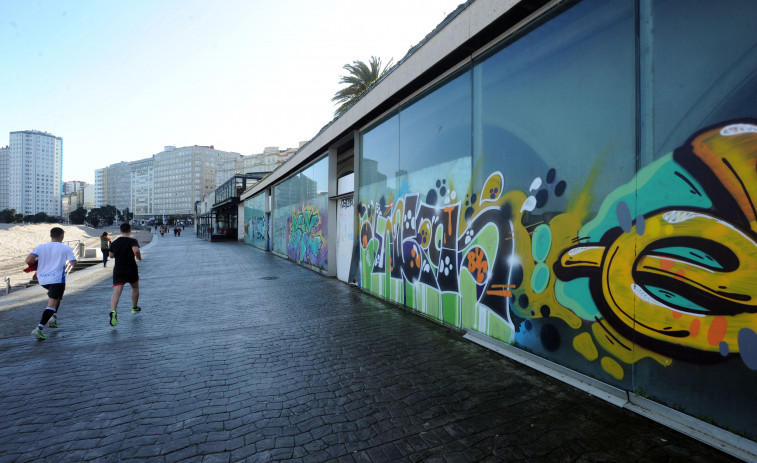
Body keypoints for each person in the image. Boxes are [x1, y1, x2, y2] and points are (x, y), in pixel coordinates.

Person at [27, 227, 77, 341]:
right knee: (52, 303)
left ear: (51, 235)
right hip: (57, 279)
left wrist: (39, 262)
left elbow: (29, 260)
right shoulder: (66, 248)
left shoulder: (40, 247)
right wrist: (73, 261)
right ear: (62, 236)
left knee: (57, 297)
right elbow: (73, 263)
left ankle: (53, 317)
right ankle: (39, 329)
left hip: (42, 279)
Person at [109, 222, 143, 326]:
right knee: (135, 288)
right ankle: (134, 308)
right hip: (131, 269)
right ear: (130, 230)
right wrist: (138, 257)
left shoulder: (115, 242)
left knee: (117, 292)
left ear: (120, 230)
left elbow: (111, 255)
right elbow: (136, 250)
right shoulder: (132, 240)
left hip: (119, 269)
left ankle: (113, 311)